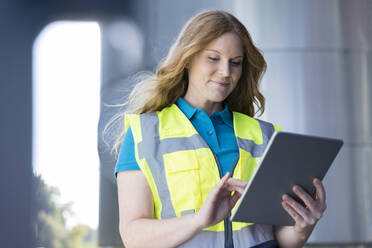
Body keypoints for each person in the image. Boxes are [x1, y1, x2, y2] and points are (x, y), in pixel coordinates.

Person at [113, 10, 327, 248]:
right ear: (188, 59)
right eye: (213, 58)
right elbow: (133, 237)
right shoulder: (145, 133)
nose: (226, 72)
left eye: (235, 63)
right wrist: (198, 220)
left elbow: (279, 240)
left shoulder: (265, 136)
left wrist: (302, 226)